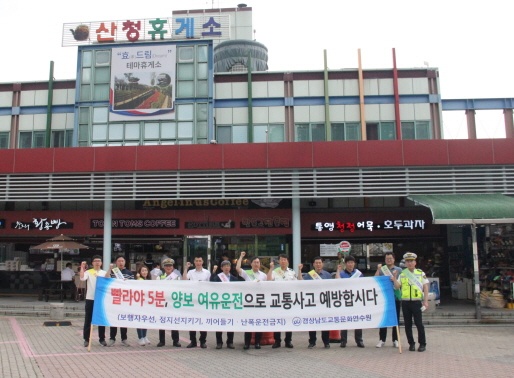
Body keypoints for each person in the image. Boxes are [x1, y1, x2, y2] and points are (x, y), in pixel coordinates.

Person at [393, 252, 429, 352]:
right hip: (405, 303)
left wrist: (425, 301)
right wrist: (395, 278)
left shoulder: (420, 273)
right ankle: (411, 344)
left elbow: (425, 287)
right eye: (407, 261)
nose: (409, 263)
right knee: (407, 325)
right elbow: (397, 287)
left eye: (411, 261)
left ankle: (422, 344)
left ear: (415, 262)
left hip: (417, 302)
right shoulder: (403, 274)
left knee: (419, 324)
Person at [267, 253, 301, 349]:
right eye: (281, 259)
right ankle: (277, 341)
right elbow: (268, 280)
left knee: (288, 320)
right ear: (279, 261)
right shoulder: (275, 271)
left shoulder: (292, 272)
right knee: (277, 320)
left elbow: (297, 284)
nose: (283, 261)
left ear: (287, 261)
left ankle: (288, 341)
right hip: (277, 300)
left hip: (288, 300)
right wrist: (270, 269)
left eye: (285, 259)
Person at [298, 256, 332, 349]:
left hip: (324, 303)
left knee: (325, 323)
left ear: (322, 264)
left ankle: (326, 342)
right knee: (312, 323)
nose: (318, 264)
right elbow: (301, 283)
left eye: (319, 263)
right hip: (312, 303)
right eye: (316, 263)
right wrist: (299, 271)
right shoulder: (309, 275)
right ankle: (312, 342)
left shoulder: (327, 275)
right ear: (313, 264)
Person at [235, 251, 267, 350]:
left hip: (259, 301)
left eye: (258, 262)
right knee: (248, 323)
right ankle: (247, 343)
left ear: (260, 264)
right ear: (251, 264)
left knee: (258, 322)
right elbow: (237, 268)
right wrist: (241, 257)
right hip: (248, 302)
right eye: (254, 262)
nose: (256, 264)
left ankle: (257, 343)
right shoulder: (247, 273)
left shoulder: (263, 275)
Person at [105, 255, 134, 347]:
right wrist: (109, 269)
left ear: (125, 262)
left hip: (125, 300)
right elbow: (106, 279)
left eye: (122, 261)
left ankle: (124, 339)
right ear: (116, 262)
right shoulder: (113, 272)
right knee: (113, 319)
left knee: (123, 319)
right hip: (114, 299)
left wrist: (127, 282)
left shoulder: (129, 273)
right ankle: (112, 338)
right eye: (119, 261)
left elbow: (133, 285)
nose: (121, 262)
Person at [374, 252, 402, 348]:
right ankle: (382, 339)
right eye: (387, 258)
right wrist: (378, 269)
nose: (389, 260)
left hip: (395, 297)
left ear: (394, 259)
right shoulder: (382, 269)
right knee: (383, 319)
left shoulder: (399, 270)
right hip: (384, 298)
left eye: (390, 258)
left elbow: (400, 284)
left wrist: (394, 278)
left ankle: (395, 339)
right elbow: (375, 279)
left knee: (396, 319)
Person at [336, 255, 365, 348]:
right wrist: (338, 270)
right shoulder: (342, 273)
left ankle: (359, 340)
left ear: (354, 264)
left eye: (352, 262)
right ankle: (343, 341)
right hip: (345, 300)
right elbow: (336, 282)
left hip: (356, 299)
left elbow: (364, 284)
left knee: (358, 320)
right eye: (348, 262)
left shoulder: (359, 274)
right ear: (346, 264)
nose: (350, 264)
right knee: (345, 320)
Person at [182, 255, 210, 349]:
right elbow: (184, 280)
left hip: (203, 300)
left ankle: (203, 341)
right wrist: (186, 268)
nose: (198, 262)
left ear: (202, 262)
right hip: (193, 299)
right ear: (194, 262)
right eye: (196, 261)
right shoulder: (190, 272)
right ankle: (193, 341)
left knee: (202, 321)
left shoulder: (207, 272)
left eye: (200, 261)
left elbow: (210, 285)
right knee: (192, 321)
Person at [210, 260, 238, 349]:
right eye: (224, 266)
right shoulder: (218, 277)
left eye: (228, 266)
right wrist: (213, 272)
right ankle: (219, 342)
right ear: (221, 268)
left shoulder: (234, 278)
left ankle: (230, 342)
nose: (226, 267)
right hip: (220, 304)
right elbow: (211, 284)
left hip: (230, 304)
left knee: (230, 323)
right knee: (219, 323)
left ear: (230, 268)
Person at [80, 255, 107, 347]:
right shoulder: (88, 272)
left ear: (101, 263)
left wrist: (110, 269)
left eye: (99, 261)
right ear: (92, 263)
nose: (97, 262)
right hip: (90, 298)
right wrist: (82, 267)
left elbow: (108, 280)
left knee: (101, 319)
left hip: (101, 299)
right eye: (95, 261)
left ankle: (102, 339)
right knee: (88, 319)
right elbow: (82, 278)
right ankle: (86, 339)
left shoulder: (104, 273)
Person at [157, 258, 181, 348]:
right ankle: (161, 341)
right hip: (163, 301)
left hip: (173, 302)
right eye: (166, 266)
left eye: (170, 266)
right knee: (162, 321)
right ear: (164, 267)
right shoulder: (160, 277)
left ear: (173, 267)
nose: (168, 267)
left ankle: (176, 341)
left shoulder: (177, 277)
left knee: (174, 321)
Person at [136, 265, 151, 346]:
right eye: (143, 271)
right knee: (139, 320)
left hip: (147, 303)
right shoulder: (139, 280)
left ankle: (145, 336)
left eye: (146, 270)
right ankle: (140, 337)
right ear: (140, 272)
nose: (144, 272)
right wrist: (138, 278)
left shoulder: (148, 280)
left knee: (145, 320)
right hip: (139, 303)